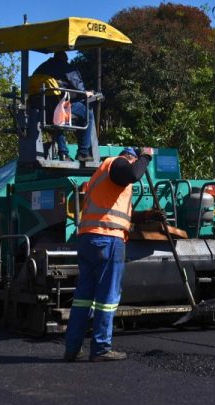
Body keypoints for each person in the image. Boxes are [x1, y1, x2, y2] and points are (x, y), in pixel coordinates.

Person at [63, 147, 153, 362]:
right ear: (129, 158)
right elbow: (132, 174)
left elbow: (110, 208)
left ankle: (72, 347)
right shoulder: (118, 163)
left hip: (89, 238)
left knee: (84, 297)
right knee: (107, 298)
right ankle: (102, 347)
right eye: (133, 160)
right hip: (108, 239)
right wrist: (146, 157)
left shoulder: (98, 176)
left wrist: (141, 216)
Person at [28, 51, 95, 161]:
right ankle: (83, 152)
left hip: (40, 108)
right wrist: (86, 92)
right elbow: (78, 87)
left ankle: (63, 153)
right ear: (64, 58)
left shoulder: (41, 68)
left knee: (54, 120)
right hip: (59, 107)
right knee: (88, 112)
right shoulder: (66, 67)